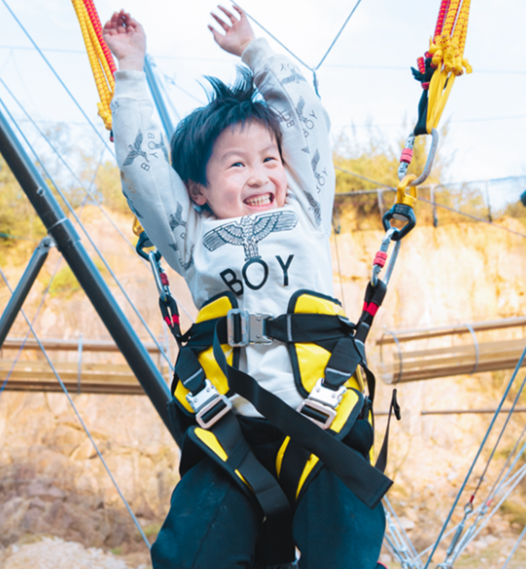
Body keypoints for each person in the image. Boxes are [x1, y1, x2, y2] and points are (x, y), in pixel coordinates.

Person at [104, 6, 387, 568]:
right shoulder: (192, 237)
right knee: (191, 552)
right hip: (228, 428)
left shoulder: (305, 210)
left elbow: (305, 120)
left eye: (269, 160)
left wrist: (254, 51)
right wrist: (131, 70)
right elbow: (144, 172)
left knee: (345, 549)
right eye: (236, 166)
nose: (259, 175)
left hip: (325, 413)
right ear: (198, 191)